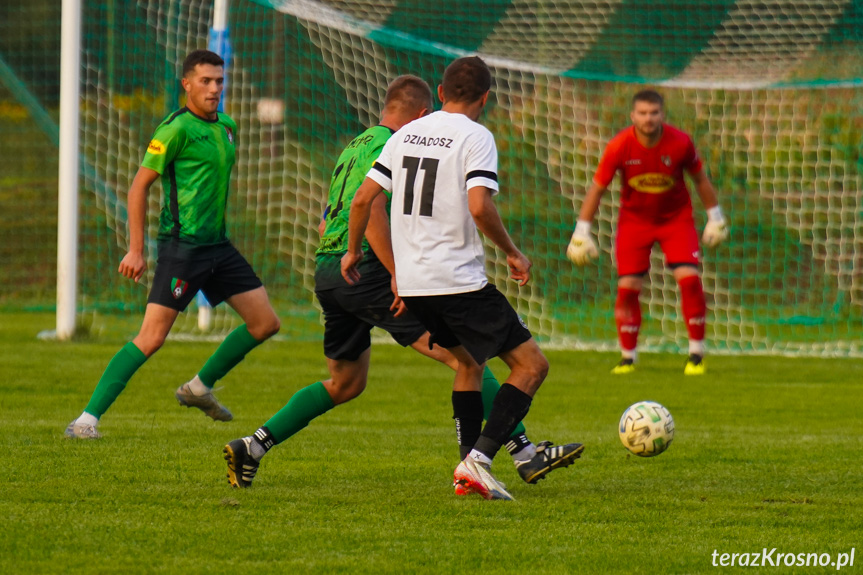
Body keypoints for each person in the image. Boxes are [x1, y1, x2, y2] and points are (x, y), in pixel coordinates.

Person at [223, 75, 580, 491]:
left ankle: (253, 445)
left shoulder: (358, 144)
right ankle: (520, 453)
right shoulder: (404, 139)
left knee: (346, 382)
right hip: (374, 273)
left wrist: (350, 256)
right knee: (466, 359)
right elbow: (371, 206)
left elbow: (329, 216)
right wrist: (395, 272)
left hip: (331, 268)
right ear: (425, 114)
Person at [342, 57, 583, 501]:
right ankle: (480, 461)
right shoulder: (477, 136)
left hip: (413, 286)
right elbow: (478, 206)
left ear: (439, 91)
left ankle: (466, 472)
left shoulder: (407, 133)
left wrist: (355, 250)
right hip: (456, 282)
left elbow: (361, 200)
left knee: (470, 365)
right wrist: (512, 252)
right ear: (486, 98)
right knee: (532, 366)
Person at [65, 50, 280, 439]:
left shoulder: (227, 126)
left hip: (218, 246)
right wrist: (136, 248)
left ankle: (199, 388)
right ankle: (86, 420)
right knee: (151, 338)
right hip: (182, 249)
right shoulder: (174, 129)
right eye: (205, 81)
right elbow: (139, 186)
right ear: (187, 84)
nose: (214, 88)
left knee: (265, 323)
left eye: (219, 80)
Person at [567, 89, 728, 375]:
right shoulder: (619, 146)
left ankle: (696, 355)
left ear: (662, 114)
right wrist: (582, 230)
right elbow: (598, 188)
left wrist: (715, 217)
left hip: (676, 220)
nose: (648, 118)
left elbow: (700, 179)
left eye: (654, 113)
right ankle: (628, 357)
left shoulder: (680, 143)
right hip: (635, 222)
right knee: (627, 289)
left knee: (690, 281)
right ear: (633, 116)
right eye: (642, 113)